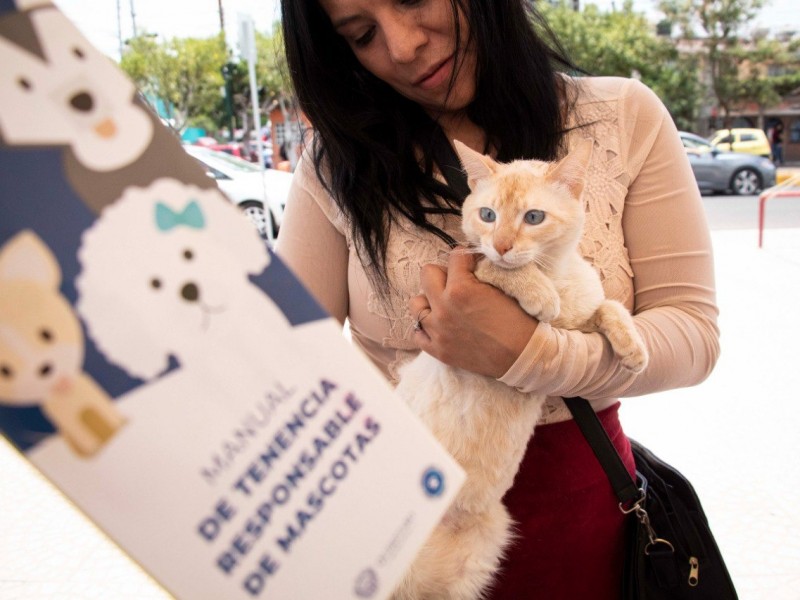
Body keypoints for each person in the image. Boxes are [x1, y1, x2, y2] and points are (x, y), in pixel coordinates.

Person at [276, 0, 720, 597]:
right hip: (406, 534)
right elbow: (280, 358)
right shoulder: (336, 165)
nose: (403, 46)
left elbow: (693, 332)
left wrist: (527, 352)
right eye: (361, 35)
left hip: (587, 520)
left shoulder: (620, 117)